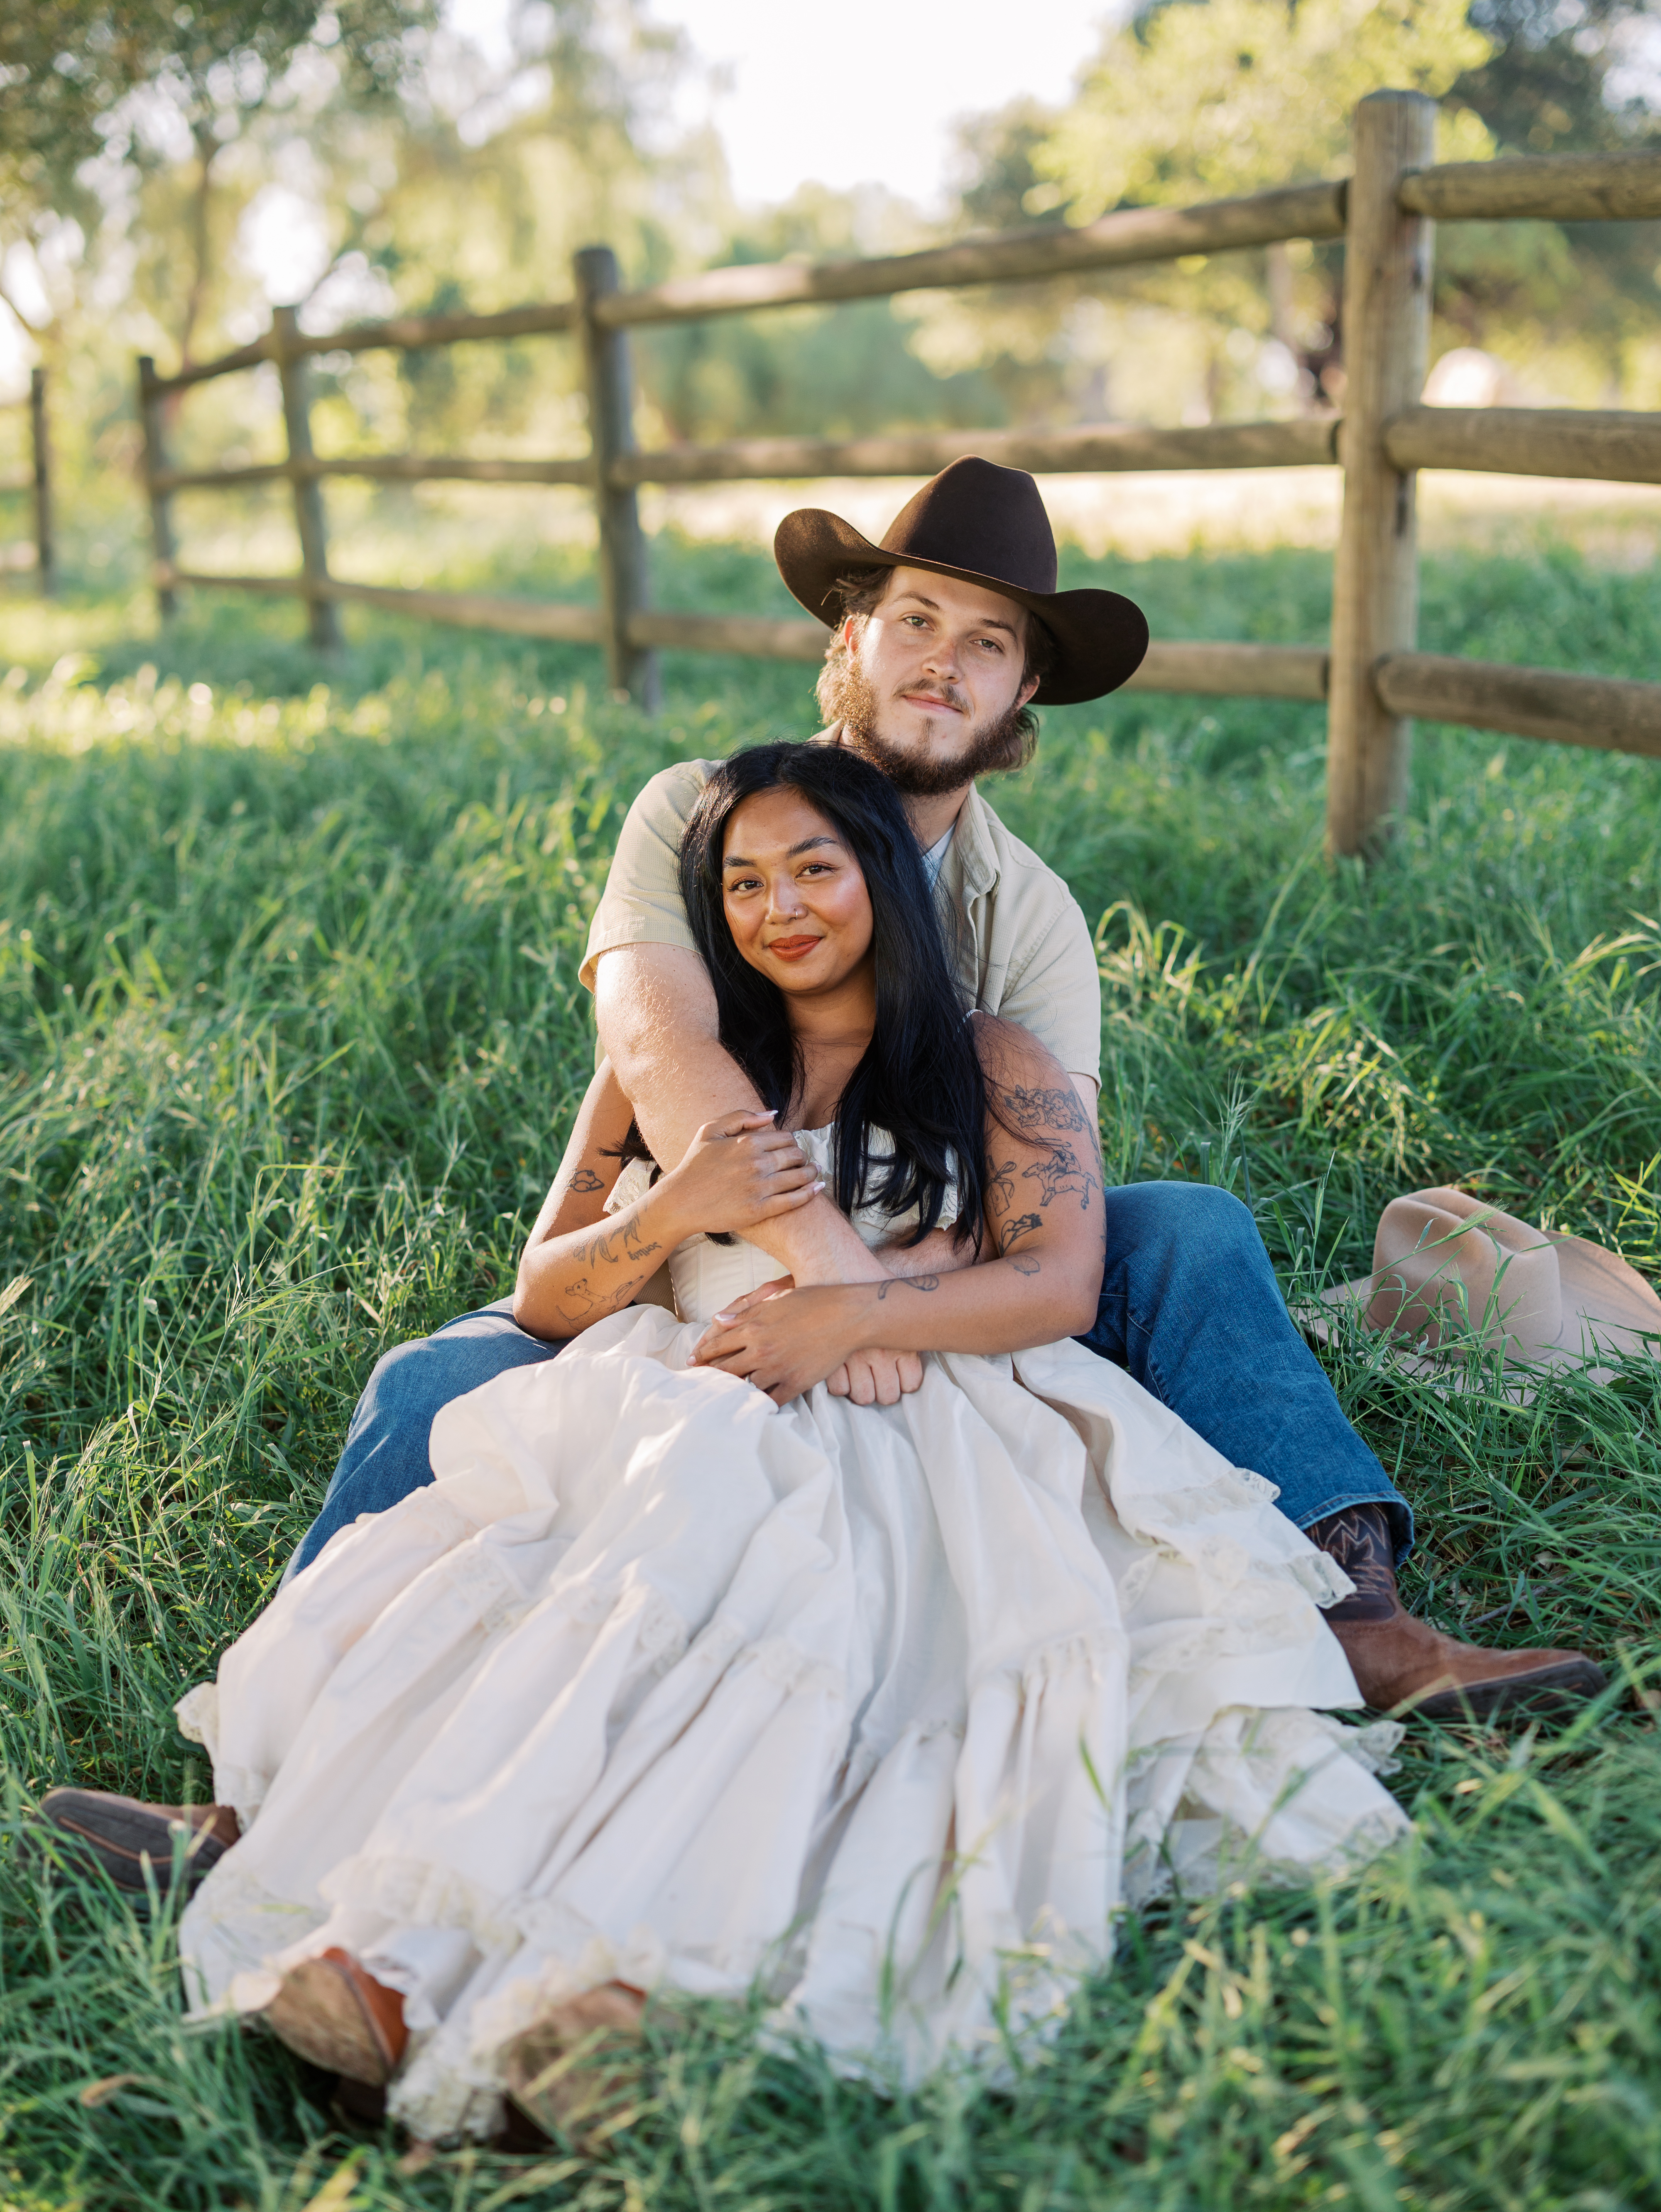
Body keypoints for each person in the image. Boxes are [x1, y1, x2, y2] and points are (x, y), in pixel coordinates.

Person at [38, 458, 1602, 1903]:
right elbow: (661, 1052)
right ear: (845, 648)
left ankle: (1362, 1624)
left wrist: (880, 1302)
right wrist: (808, 1278)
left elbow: (1039, 1189)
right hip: (692, 1245)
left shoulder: (1028, 917)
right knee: (432, 1378)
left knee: (1188, 1231)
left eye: (987, 642)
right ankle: (261, 1790)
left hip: (939, 1236)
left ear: (1022, 694)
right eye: (910, 619)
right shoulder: (699, 813)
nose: (942, 660)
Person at [166, 744, 1409, 2141]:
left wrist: (851, 1314)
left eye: (815, 868)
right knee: (577, 1636)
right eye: (744, 884)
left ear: (884, 875)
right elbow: (545, 1294)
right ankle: (397, 1966)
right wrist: (668, 1207)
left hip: (913, 1421)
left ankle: (628, 1992)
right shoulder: (680, 1076)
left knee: (805, 1668)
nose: (780, 909)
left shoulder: (988, 1058)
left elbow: (1061, 1283)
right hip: (678, 1399)